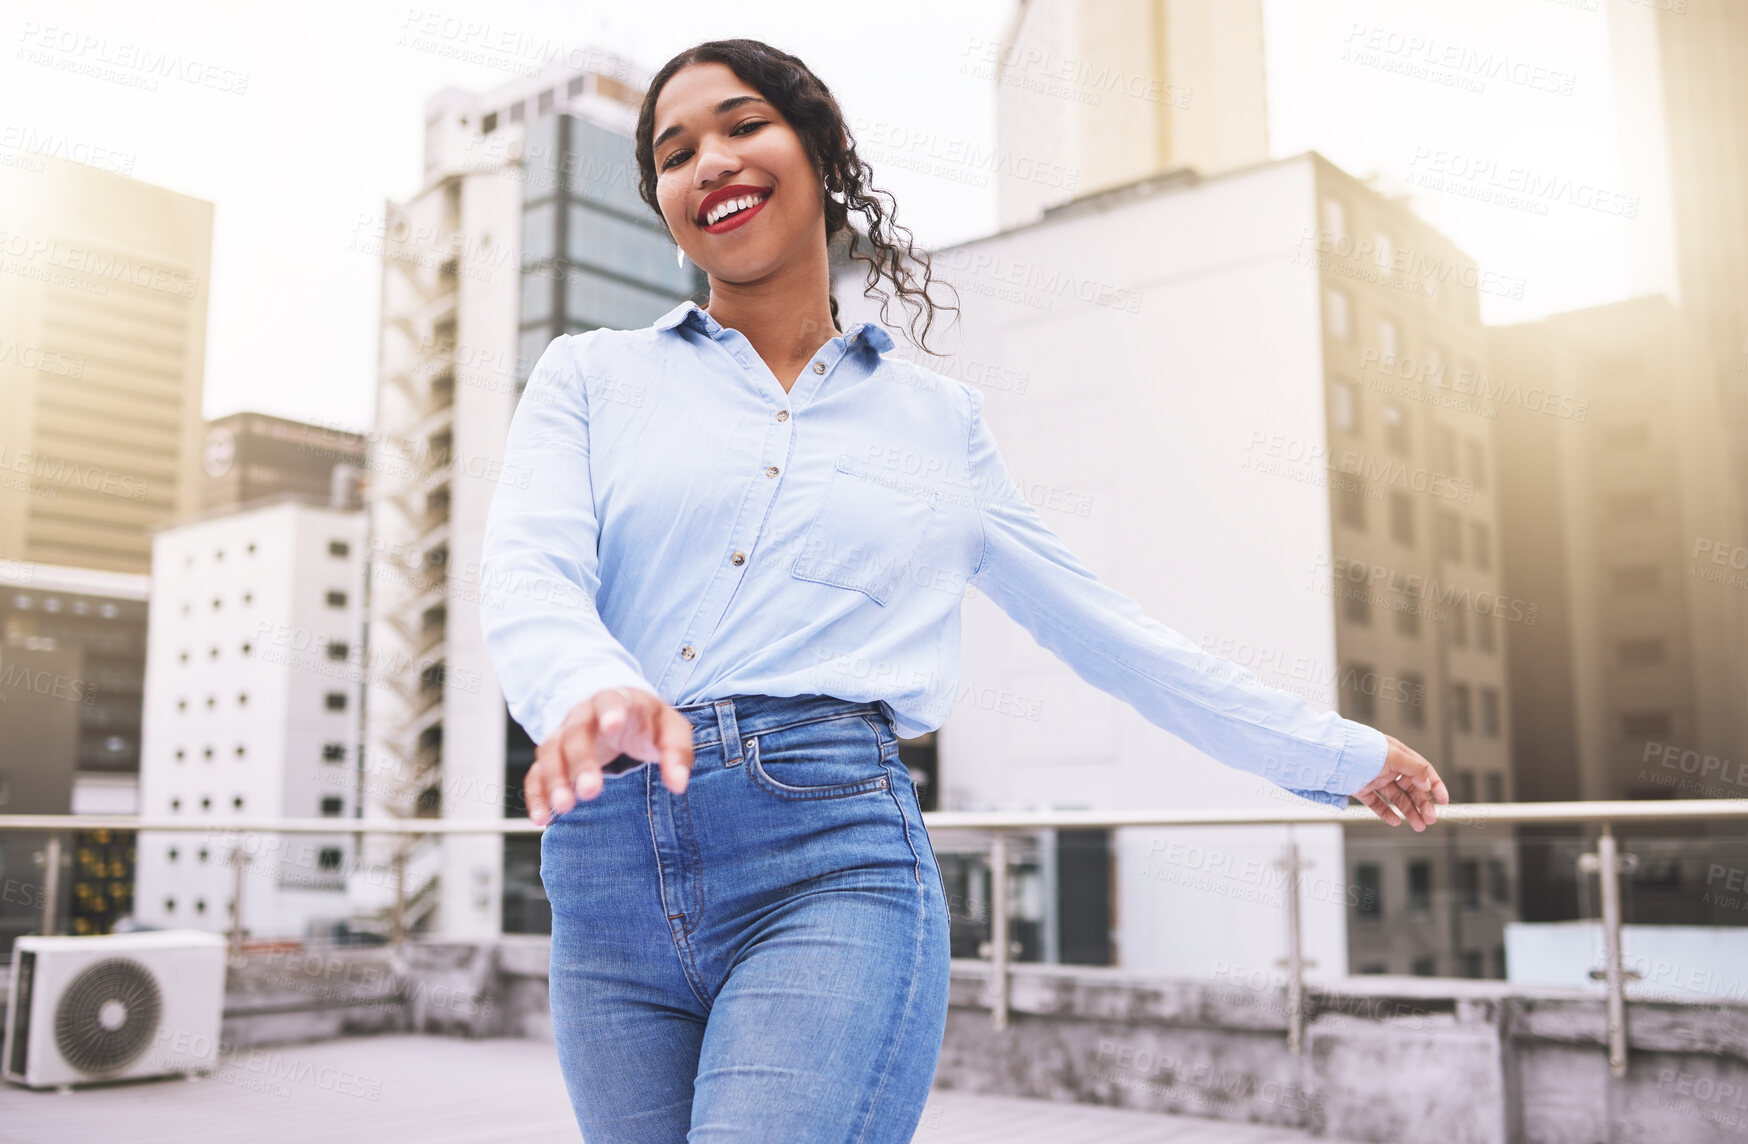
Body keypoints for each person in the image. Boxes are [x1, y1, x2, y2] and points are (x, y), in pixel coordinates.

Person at [477, 37, 1449, 1144]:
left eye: (741, 125)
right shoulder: (591, 376)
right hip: (604, 878)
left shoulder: (938, 428)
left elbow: (1107, 632)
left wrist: (1331, 754)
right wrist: (592, 686)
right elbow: (528, 570)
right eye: (672, 150)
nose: (706, 162)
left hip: (824, 860)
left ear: (821, 149)